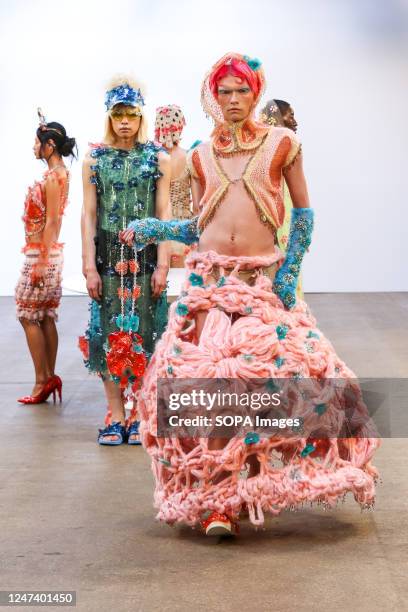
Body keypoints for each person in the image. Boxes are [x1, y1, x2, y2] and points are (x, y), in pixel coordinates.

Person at [121, 53, 379, 535]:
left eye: (241, 91)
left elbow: (303, 213)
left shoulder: (282, 144)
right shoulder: (200, 155)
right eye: (225, 92)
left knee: (283, 381)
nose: (233, 100)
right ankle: (220, 502)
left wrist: (290, 269)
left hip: (263, 284)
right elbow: (197, 224)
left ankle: (262, 479)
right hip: (213, 286)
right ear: (213, 97)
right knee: (215, 386)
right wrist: (153, 228)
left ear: (255, 94)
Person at [80, 76, 171, 445]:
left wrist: (164, 263)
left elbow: (164, 210)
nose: (124, 122)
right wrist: (88, 266)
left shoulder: (157, 158)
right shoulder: (93, 160)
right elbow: (88, 214)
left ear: (140, 117)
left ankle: (140, 415)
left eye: (131, 114)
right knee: (108, 335)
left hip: (147, 261)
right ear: (109, 117)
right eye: (118, 114)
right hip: (107, 261)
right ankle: (116, 415)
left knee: (146, 332)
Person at [16, 111, 75, 404]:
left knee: (28, 317)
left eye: (36, 142)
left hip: (42, 253)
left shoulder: (54, 177)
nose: (33, 147)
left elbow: (52, 222)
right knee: (45, 317)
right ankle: (48, 376)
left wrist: (39, 261)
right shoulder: (62, 173)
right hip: (49, 253)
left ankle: (42, 380)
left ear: (48, 145)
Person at [260, 99, 303, 299]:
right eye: (290, 115)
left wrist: (299, 233)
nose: (295, 121)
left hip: (287, 225)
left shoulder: (290, 149)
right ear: (277, 116)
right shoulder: (263, 151)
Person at [154, 105, 192, 268]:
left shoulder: (152, 158)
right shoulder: (189, 156)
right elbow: (198, 204)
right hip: (182, 228)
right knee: (181, 286)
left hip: (156, 227)